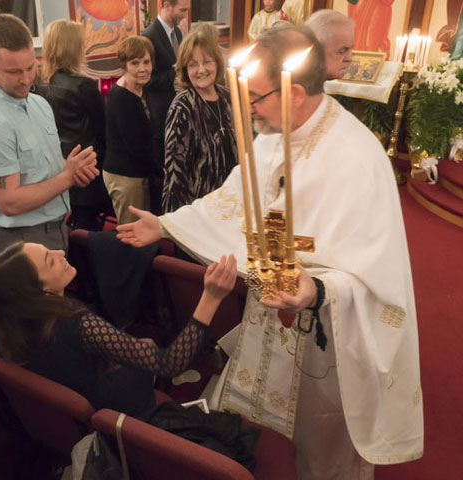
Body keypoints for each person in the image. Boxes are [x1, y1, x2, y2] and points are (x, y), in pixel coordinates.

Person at [117, 26, 423, 479]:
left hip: (329, 328)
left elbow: (377, 274)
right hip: (273, 305)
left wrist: (317, 290)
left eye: (255, 97)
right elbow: (232, 199)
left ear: (293, 93)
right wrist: (165, 223)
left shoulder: (357, 160)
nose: (249, 108)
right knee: (275, 426)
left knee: (324, 441)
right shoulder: (272, 134)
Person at [0, 240, 237, 416]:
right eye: (50, 260)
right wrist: (211, 297)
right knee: (149, 345)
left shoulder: (8, 323)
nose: (60, 252)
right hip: (114, 408)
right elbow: (170, 363)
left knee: (144, 344)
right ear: (44, 291)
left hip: (73, 401)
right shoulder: (76, 323)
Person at [0, 14, 99, 254]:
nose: (26, 79)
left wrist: (73, 167)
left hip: (56, 226)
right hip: (22, 238)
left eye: (30, 68)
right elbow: (10, 202)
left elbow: (41, 167)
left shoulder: (38, 104)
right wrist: (67, 177)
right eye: (14, 71)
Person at [35, 19, 112, 231]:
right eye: (80, 43)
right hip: (86, 166)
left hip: (54, 164)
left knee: (69, 224)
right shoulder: (83, 85)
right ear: (72, 48)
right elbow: (103, 129)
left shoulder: (38, 84)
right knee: (86, 229)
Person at [162, 24, 237, 214]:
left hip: (232, 204)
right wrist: (178, 222)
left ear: (217, 63)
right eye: (193, 64)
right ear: (185, 69)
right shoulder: (183, 107)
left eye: (207, 62)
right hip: (199, 210)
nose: (201, 70)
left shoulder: (229, 98)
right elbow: (174, 172)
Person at [103, 36, 158, 225]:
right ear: (124, 65)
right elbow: (136, 147)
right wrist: (162, 170)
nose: (142, 68)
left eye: (146, 62)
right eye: (135, 63)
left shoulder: (141, 90)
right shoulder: (121, 97)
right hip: (125, 177)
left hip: (135, 173)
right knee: (132, 233)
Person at [142, 0, 190, 212]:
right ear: (167, 5)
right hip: (160, 112)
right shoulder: (149, 36)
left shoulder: (178, 34)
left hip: (177, 107)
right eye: (182, 10)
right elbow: (147, 80)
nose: (185, 15)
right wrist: (176, 73)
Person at [305, 9, 354, 80]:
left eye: (350, 49)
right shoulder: (292, 86)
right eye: (342, 51)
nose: (349, 58)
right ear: (316, 50)